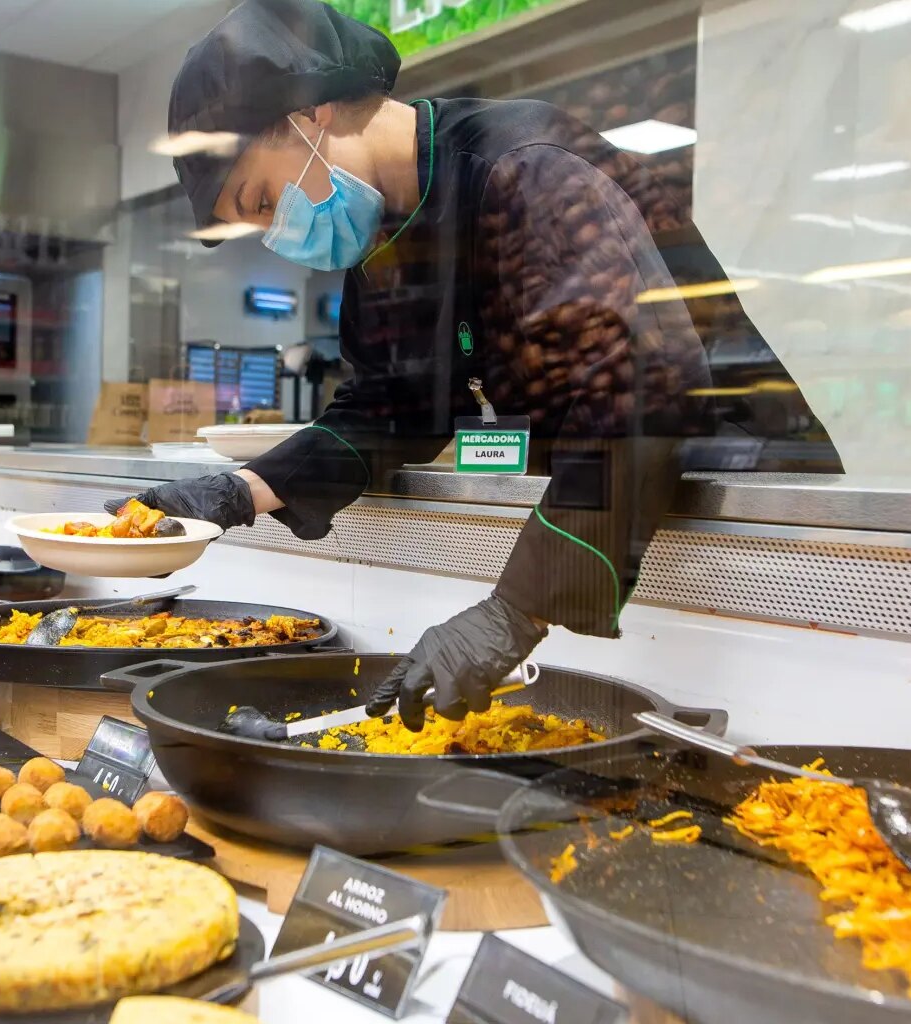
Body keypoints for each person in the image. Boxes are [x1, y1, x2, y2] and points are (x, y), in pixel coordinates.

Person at [114, 0, 792, 731]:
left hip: (743, 525)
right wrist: (237, 494)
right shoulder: (384, 240)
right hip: (603, 526)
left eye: (264, 199)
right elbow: (382, 410)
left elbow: (632, 398)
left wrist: (515, 610)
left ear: (309, 117)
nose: (279, 236)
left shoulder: (525, 170)